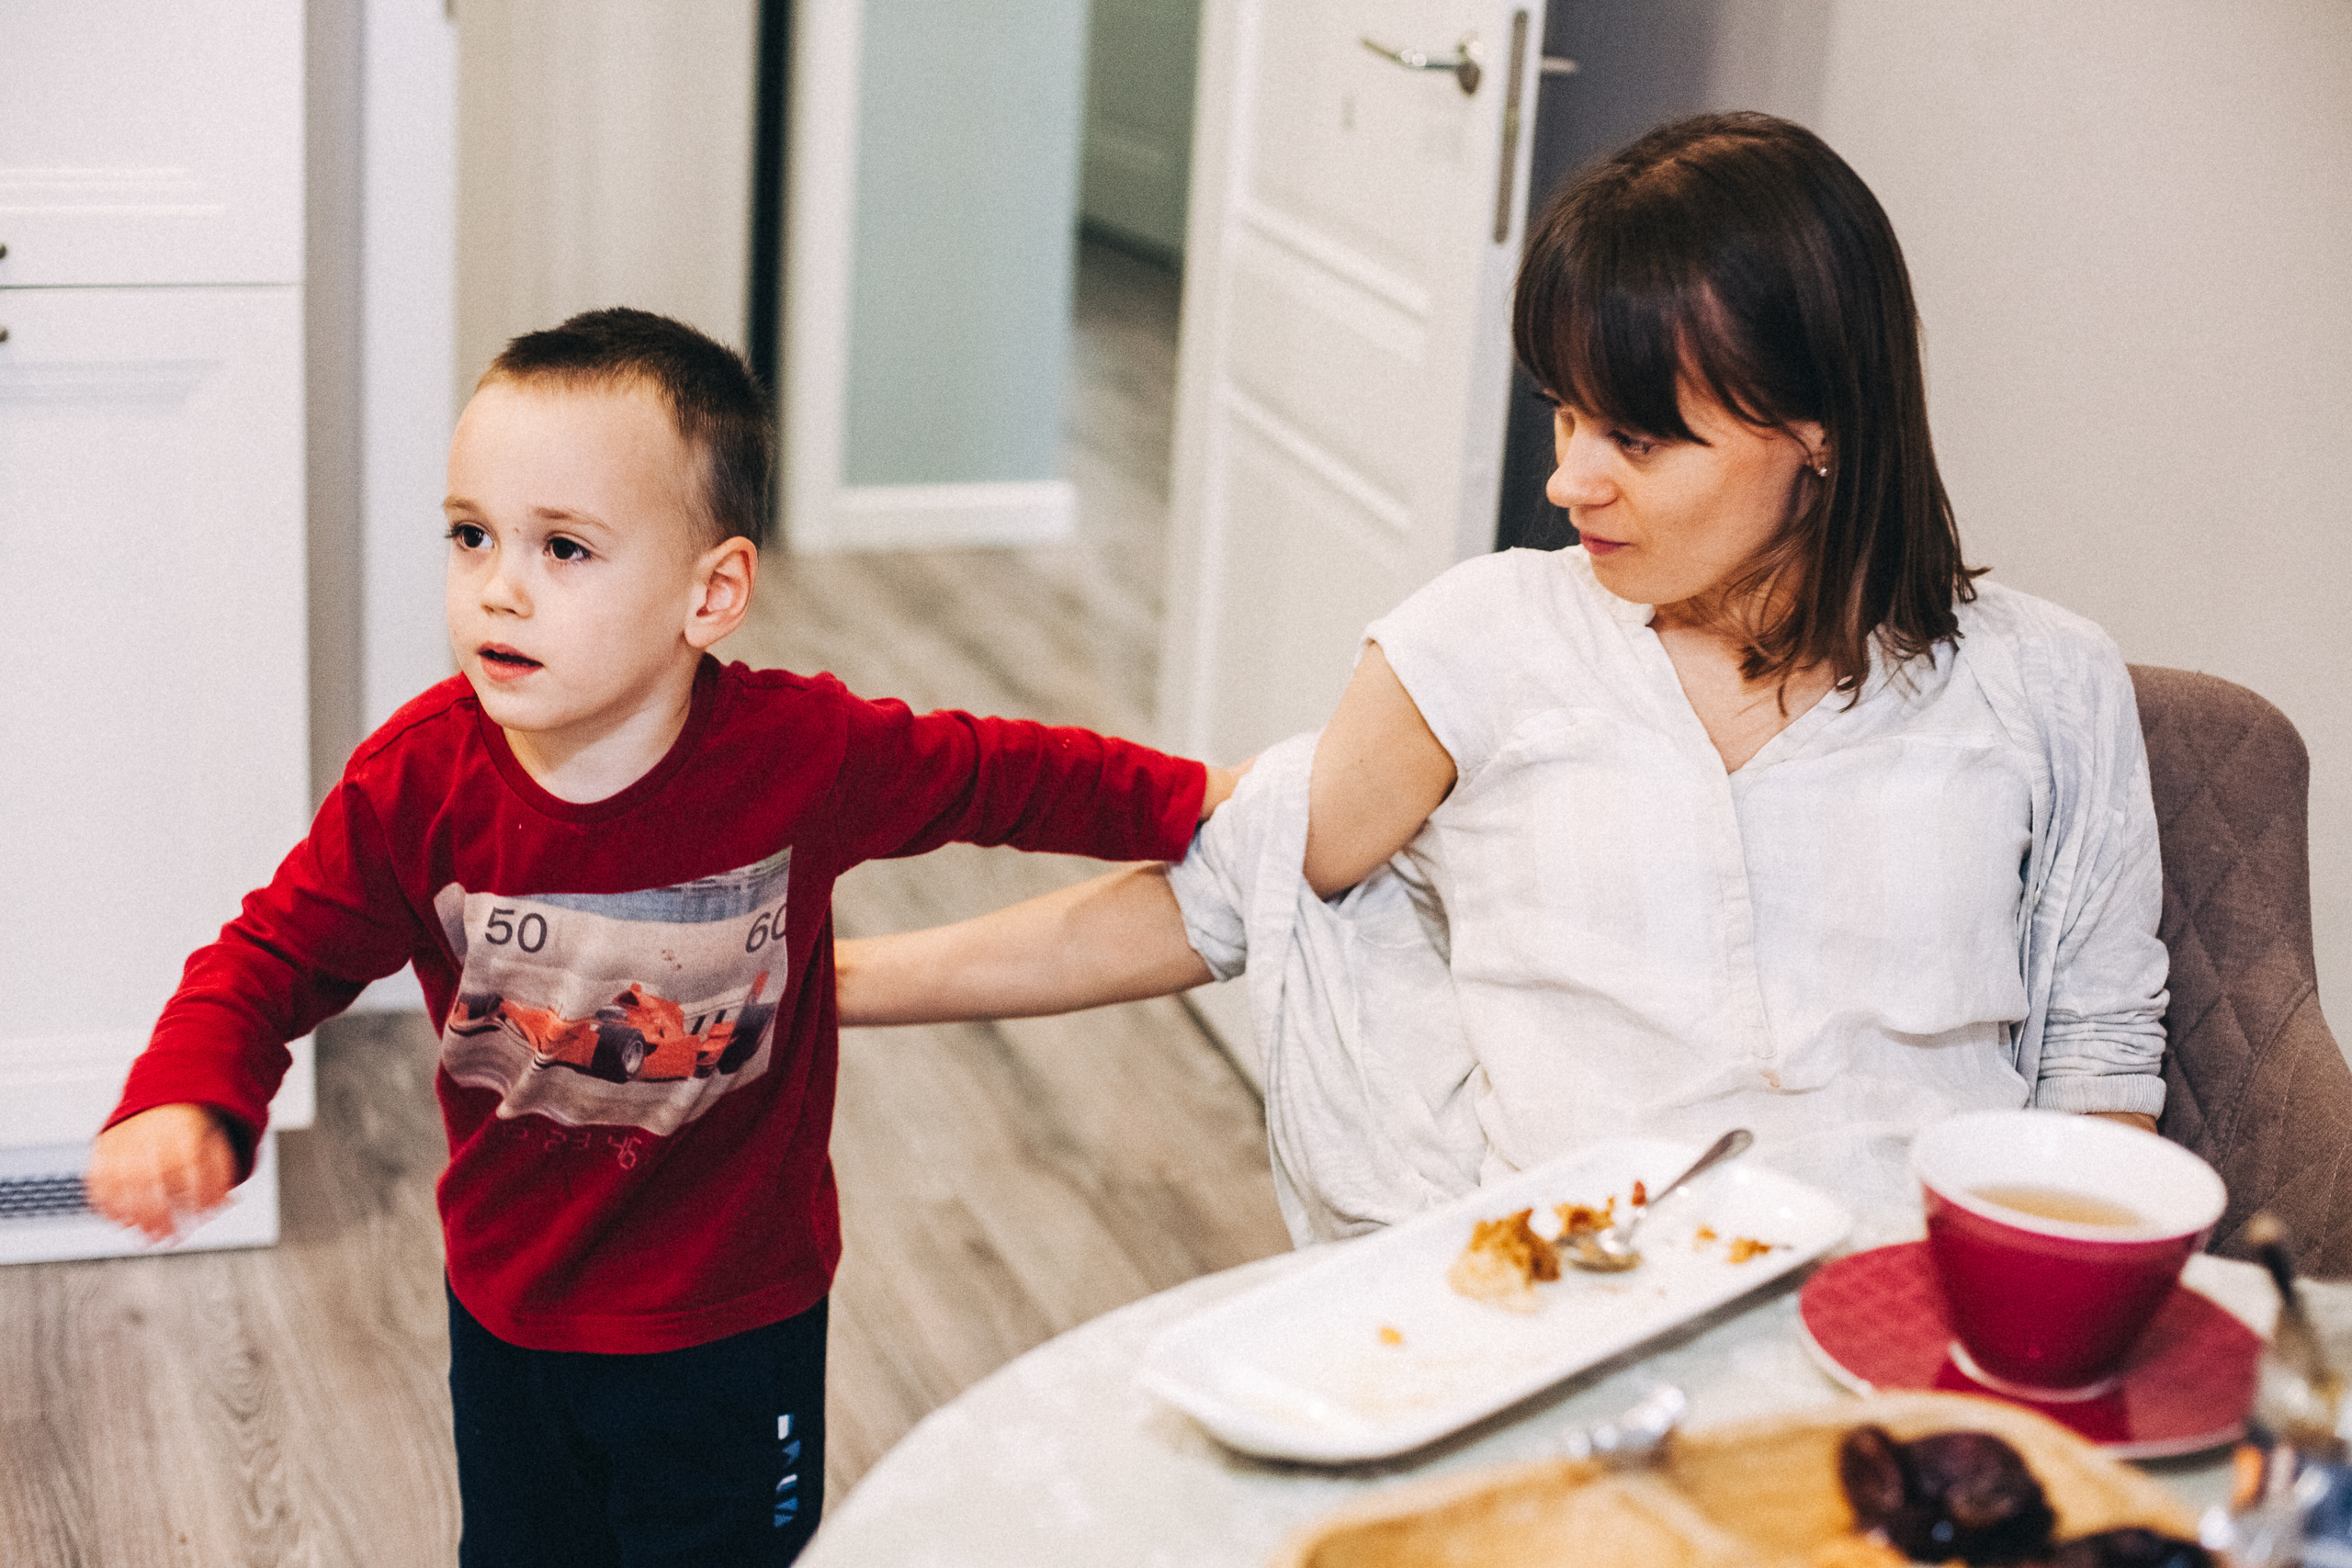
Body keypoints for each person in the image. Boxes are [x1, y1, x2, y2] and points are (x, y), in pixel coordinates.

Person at [830, 113, 2170, 1242]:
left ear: (1819, 427)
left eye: (1638, 439)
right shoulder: (1480, 645)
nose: (1569, 480)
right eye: (1564, 411)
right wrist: (830, 985)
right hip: (1569, 1324)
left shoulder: (2047, 685)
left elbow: (2100, 1061)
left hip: (1908, 1326)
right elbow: (1221, 896)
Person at [84, 307, 1238, 1566]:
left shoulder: (800, 757)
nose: (499, 586)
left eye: (563, 547)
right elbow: (272, 955)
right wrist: (184, 1090)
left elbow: (1002, 776)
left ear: (712, 593)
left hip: (736, 1323)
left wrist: (1197, 801)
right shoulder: (417, 785)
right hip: (512, 1306)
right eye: (470, 535)